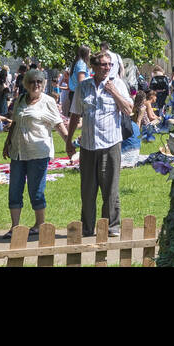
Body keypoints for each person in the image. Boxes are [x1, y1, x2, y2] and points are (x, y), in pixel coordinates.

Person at [66, 51, 133, 238]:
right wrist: (69, 140)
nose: (107, 68)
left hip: (111, 143)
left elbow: (129, 110)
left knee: (110, 188)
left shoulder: (117, 84)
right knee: (87, 190)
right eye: (103, 65)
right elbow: (75, 114)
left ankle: (111, 226)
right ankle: (87, 228)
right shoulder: (83, 86)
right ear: (93, 67)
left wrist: (114, 92)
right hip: (88, 144)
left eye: (109, 65)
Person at [1, 69, 71, 239]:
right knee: (14, 189)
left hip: (38, 152)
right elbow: (15, 123)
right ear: (26, 84)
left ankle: (39, 224)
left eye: (39, 82)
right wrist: (7, 143)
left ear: (43, 84)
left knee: (36, 190)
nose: (36, 85)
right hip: (18, 151)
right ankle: (15, 227)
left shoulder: (47, 102)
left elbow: (59, 124)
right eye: (32, 82)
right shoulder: (20, 100)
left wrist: (69, 144)